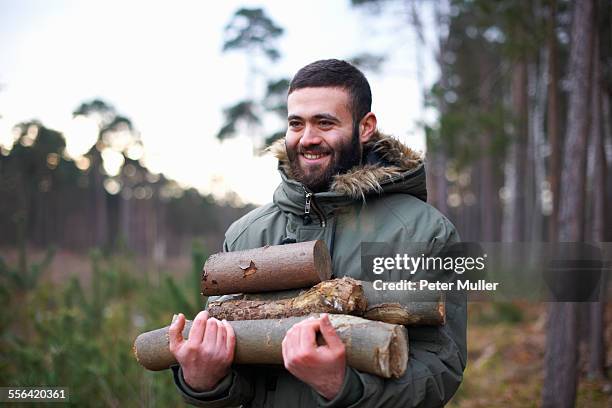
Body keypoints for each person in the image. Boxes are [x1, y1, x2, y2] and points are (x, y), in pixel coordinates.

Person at [168, 59, 467, 407]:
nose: (308, 139)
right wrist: (203, 380)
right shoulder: (245, 234)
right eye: (297, 123)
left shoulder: (427, 232)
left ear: (365, 126)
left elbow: (442, 367)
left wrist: (342, 387)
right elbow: (238, 375)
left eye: (325, 123)